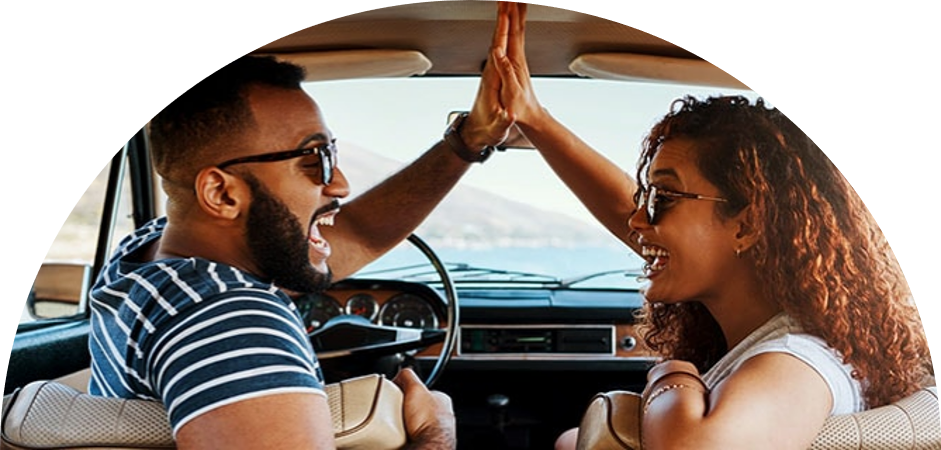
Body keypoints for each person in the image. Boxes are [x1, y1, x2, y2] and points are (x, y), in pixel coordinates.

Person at [488, 2, 934, 449]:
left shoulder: (799, 361)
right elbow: (658, 223)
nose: (639, 219)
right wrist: (535, 120)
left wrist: (672, 371)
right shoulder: (784, 335)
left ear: (746, 226)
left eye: (663, 198)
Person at [86, 52, 513, 449]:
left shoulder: (151, 260)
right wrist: (434, 431)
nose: (340, 184)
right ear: (221, 193)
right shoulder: (233, 322)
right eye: (314, 160)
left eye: (332, 153)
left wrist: (466, 142)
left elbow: (359, 233)